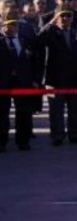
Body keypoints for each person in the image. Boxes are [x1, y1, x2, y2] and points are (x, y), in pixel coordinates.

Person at [36, 9, 77, 145]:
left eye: (68, 16)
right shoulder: (50, 31)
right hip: (55, 76)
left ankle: (76, 133)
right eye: (62, 16)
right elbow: (39, 41)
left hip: (75, 76)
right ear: (57, 17)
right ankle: (57, 135)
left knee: (76, 108)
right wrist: (50, 24)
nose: (65, 18)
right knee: (56, 110)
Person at [1, 12, 43, 152]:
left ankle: (23, 141)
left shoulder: (26, 41)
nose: (11, 28)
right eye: (8, 25)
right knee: (2, 113)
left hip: (24, 82)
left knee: (24, 113)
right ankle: (1, 142)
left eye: (14, 24)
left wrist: (36, 80)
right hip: (3, 83)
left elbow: (36, 61)